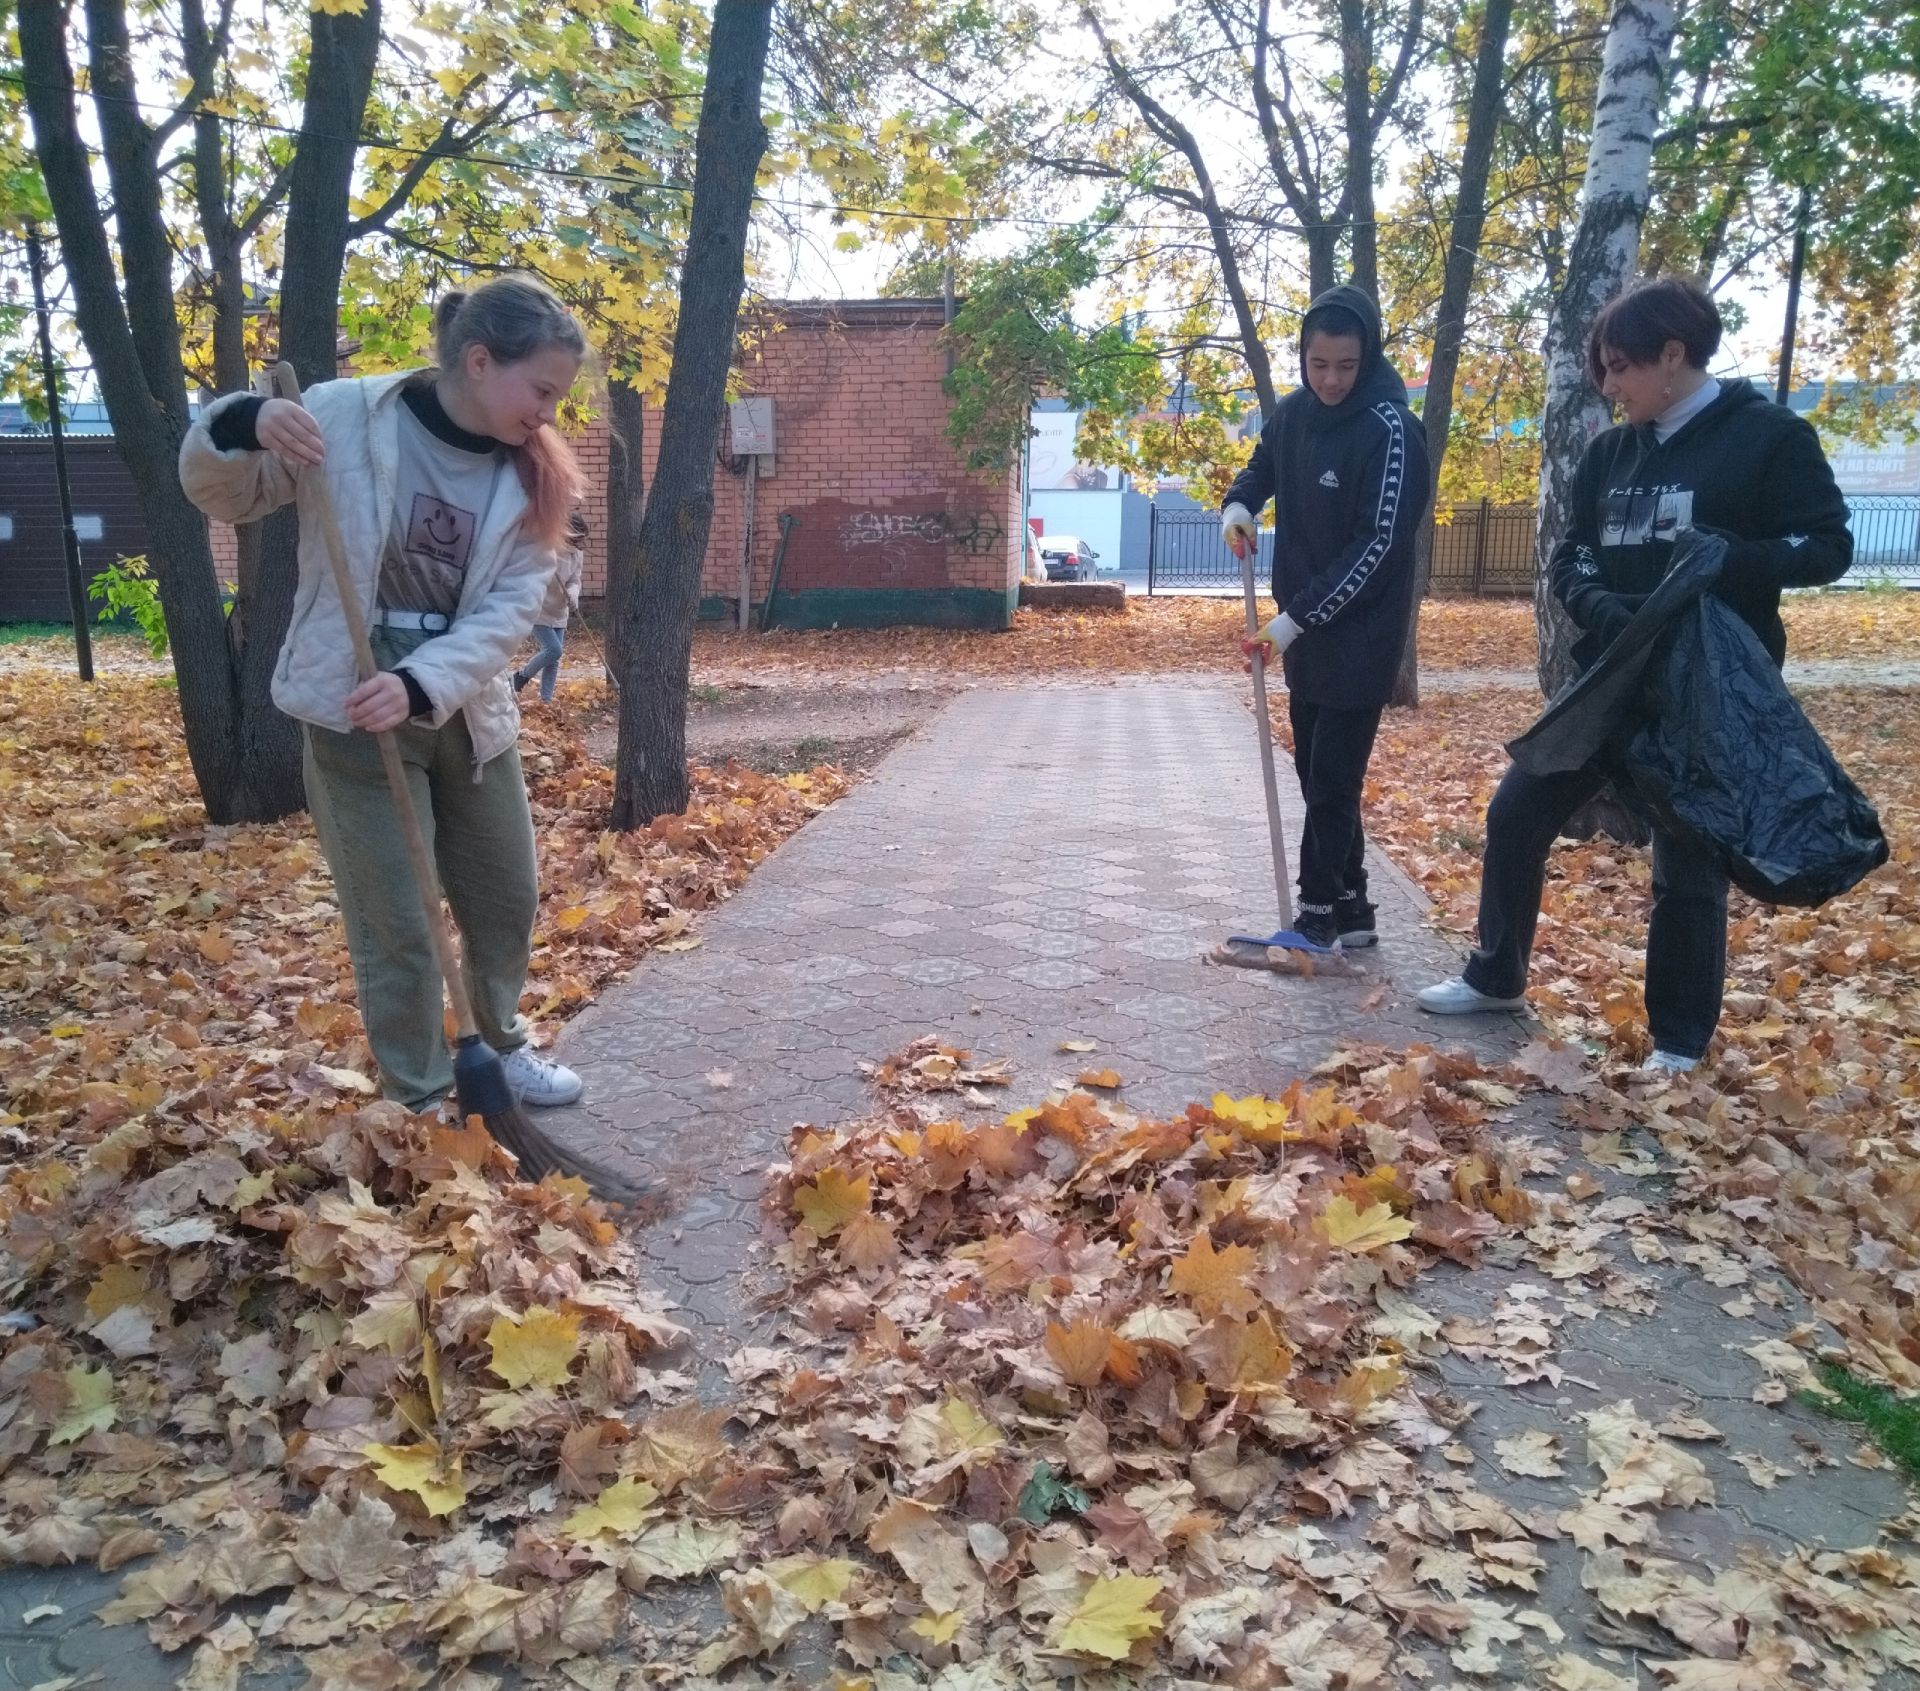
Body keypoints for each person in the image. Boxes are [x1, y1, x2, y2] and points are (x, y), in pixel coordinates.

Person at [1416, 275, 1853, 1072]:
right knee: (1518, 808)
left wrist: (1734, 560)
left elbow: (1827, 547)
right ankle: (1497, 976)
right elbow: (1571, 550)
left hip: (1705, 693)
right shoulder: (1612, 452)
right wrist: (1600, 605)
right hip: (1610, 679)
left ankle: (1678, 1042)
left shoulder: (1767, 437)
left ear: (1673, 355)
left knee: (1687, 861)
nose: (1611, 387)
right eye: (1603, 371)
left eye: (1621, 369)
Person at [179, 274, 592, 1112]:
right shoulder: (342, 417)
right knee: (395, 917)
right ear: (480, 361)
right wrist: (238, 421)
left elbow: (513, 608)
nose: (549, 412)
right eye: (542, 389)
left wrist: (420, 682)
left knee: (504, 891)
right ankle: (421, 1089)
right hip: (350, 706)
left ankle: (501, 1044)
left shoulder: (530, 478)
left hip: (465, 708)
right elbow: (225, 493)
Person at [1223, 285, 1432, 951]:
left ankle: (1314, 916)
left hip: (1359, 637)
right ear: (1304, 358)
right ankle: (1354, 905)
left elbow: (1377, 545)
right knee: (1317, 774)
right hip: (1306, 633)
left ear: (1367, 357)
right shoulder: (1293, 417)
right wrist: (1239, 507)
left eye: (1345, 365)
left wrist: (1294, 620)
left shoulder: (1393, 431)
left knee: (1333, 783)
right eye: (1319, 365)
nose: (1331, 379)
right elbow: (1260, 470)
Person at [513, 511, 586, 701]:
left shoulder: (577, 554)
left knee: (553, 660)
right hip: (539, 609)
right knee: (554, 650)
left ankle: (546, 700)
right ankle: (520, 677)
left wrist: (573, 594)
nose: (579, 543)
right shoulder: (547, 549)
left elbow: (575, 580)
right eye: (577, 538)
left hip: (559, 611)